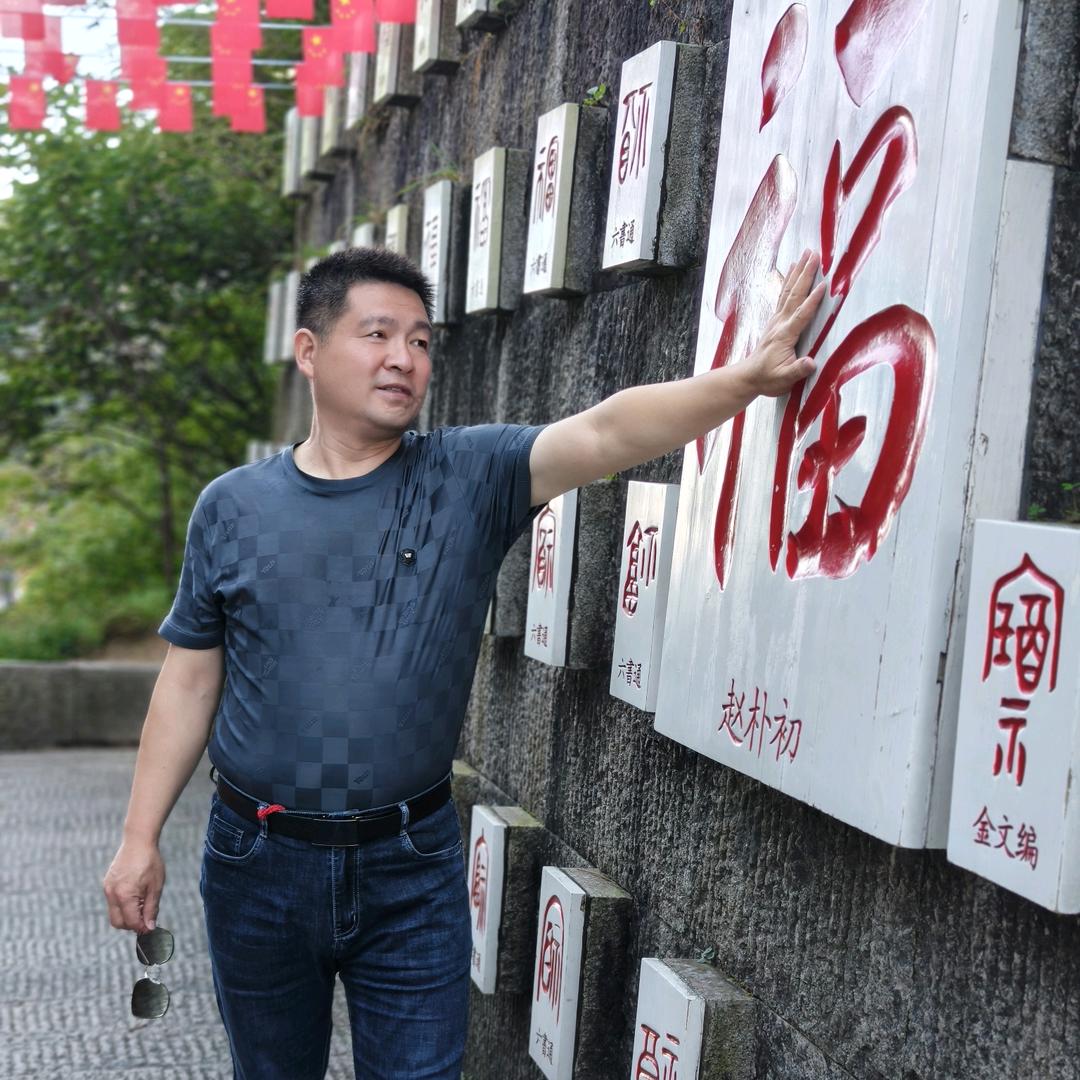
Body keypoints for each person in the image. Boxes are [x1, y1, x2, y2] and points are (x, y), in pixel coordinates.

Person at [103, 245, 824, 1079]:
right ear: (309, 350)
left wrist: (745, 380)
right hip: (256, 861)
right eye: (377, 334)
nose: (403, 358)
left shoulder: (468, 476)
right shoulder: (232, 507)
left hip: (409, 866)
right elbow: (190, 680)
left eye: (420, 341)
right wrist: (138, 838)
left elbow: (606, 431)